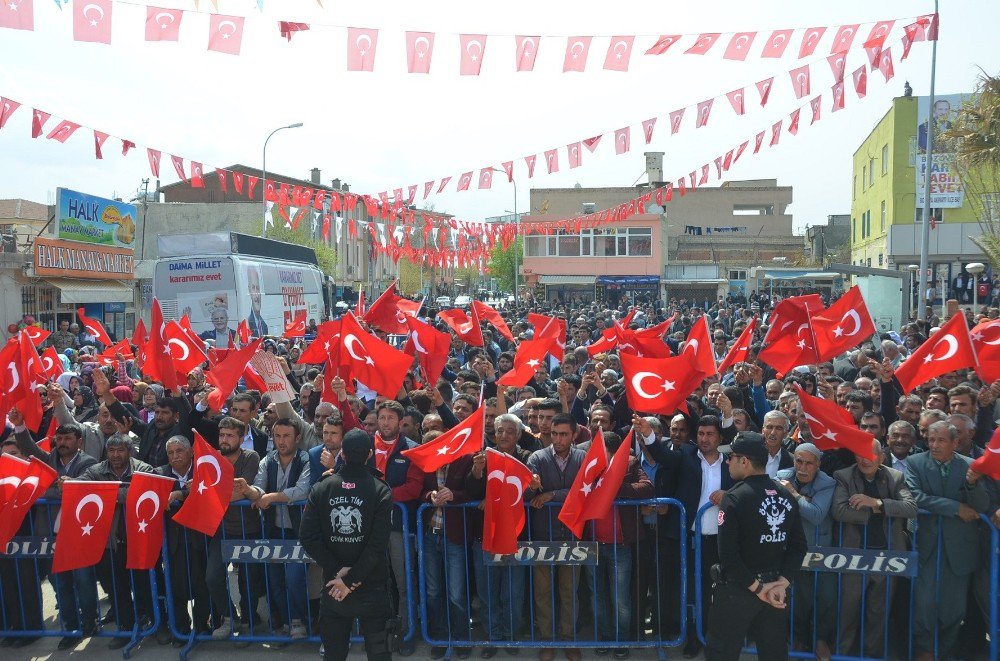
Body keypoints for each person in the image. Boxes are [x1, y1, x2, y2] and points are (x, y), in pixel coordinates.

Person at [705, 431, 808, 661]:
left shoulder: (734, 498)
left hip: (740, 590)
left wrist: (760, 589)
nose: (728, 461)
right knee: (773, 653)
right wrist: (782, 582)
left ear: (745, 461)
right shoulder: (785, 493)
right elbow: (799, 546)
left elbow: (729, 557)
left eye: (731, 456)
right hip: (774, 590)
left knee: (721, 652)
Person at [299, 429, 394, 661]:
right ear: (370, 454)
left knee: (334, 653)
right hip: (367, 585)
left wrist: (340, 575)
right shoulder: (381, 489)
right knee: (378, 652)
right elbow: (377, 545)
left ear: (342, 453)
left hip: (335, 585)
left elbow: (308, 537)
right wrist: (349, 579)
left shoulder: (322, 487)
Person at [904, 420, 991, 660]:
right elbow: (916, 497)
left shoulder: (971, 466)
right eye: (931, 439)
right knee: (924, 606)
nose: (934, 445)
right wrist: (955, 508)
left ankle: (944, 651)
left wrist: (972, 484)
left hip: (959, 549)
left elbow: (981, 506)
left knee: (954, 610)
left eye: (941, 440)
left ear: (956, 442)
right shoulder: (915, 463)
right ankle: (925, 651)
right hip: (927, 547)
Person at [832, 439, 917, 658]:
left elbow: (910, 507)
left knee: (878, 613)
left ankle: (871, 655)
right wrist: (876, 511)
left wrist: (876, 503)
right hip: (854, 555)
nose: (864, 459)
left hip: (886, 557)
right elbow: (839, 511)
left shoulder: (895, 477)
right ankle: (842, 654)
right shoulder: (844, 476)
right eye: (860, 453)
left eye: (870, 455)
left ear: (881, 457)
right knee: (847, 611)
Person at [774, 444, 835, 659]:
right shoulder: (781, 475)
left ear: (817, 464)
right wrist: (804, 500)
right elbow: (777, 506)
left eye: (809, 463)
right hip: (793, 548)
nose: (802, 467)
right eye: (799, 461)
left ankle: (821, 639)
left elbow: (817, 514)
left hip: (820, 549)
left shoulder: (827, 482)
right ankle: (798, 638)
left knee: (825, 598)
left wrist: (794, 495)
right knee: (799, 599)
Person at [246, 266, 269, 337]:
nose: (256, 295)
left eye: (257, 288)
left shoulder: (264, 325)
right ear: (249, 290)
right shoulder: (247, 323)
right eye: (253, 288)